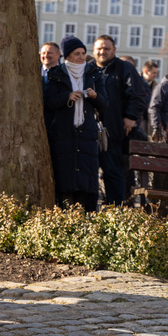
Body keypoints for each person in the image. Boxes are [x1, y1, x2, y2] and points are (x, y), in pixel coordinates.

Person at [44, 36, 107, 212]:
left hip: (87, 135)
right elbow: (47, 103)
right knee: (65, 181)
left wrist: (95, 96)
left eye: (83, 53)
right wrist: (67, 97)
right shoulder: (55, 74)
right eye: (76, 53)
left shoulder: (94, 73)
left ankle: (84, 221)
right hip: (64, 135)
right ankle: (65, 219)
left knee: (86, 183)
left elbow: (105, 104)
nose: (81, 57)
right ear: (67, 55)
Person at [90, 35, 147, 206]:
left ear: (114, 50)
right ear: (94, 50)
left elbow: (137, 96)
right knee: (89, 177)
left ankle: (116, 213)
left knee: (114, 175)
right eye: (99, 48)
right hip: (89, 133)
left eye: (106, 48)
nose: (102, 51)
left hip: (114, 132)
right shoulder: (87, 69)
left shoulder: (124, 68)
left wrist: (130, 117)